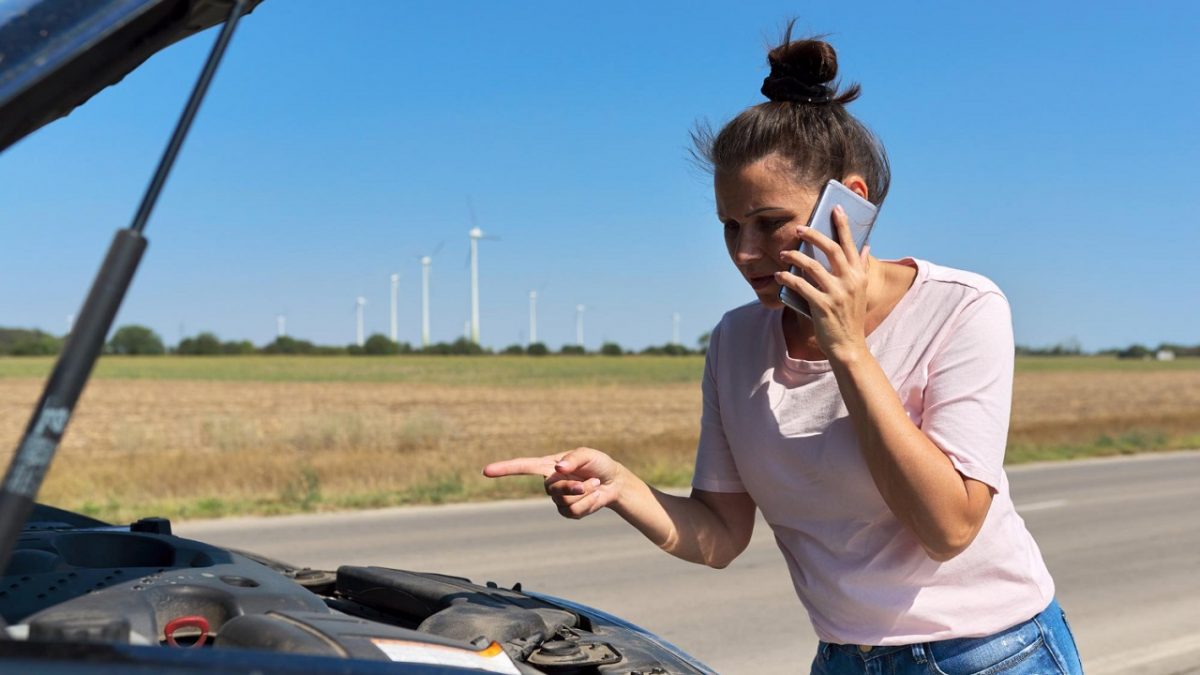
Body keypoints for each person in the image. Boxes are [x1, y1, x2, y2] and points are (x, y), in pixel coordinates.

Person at [484, 26, 1084, 675]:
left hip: (992, 653)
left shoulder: (963, 307)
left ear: (848, 203)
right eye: (729, 226)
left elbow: (949, 526)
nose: (744, 252)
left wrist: (847, 346)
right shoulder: (736, 340)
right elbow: (719, 534)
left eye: (769, 222)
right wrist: (623, 487)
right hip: (843, 658)